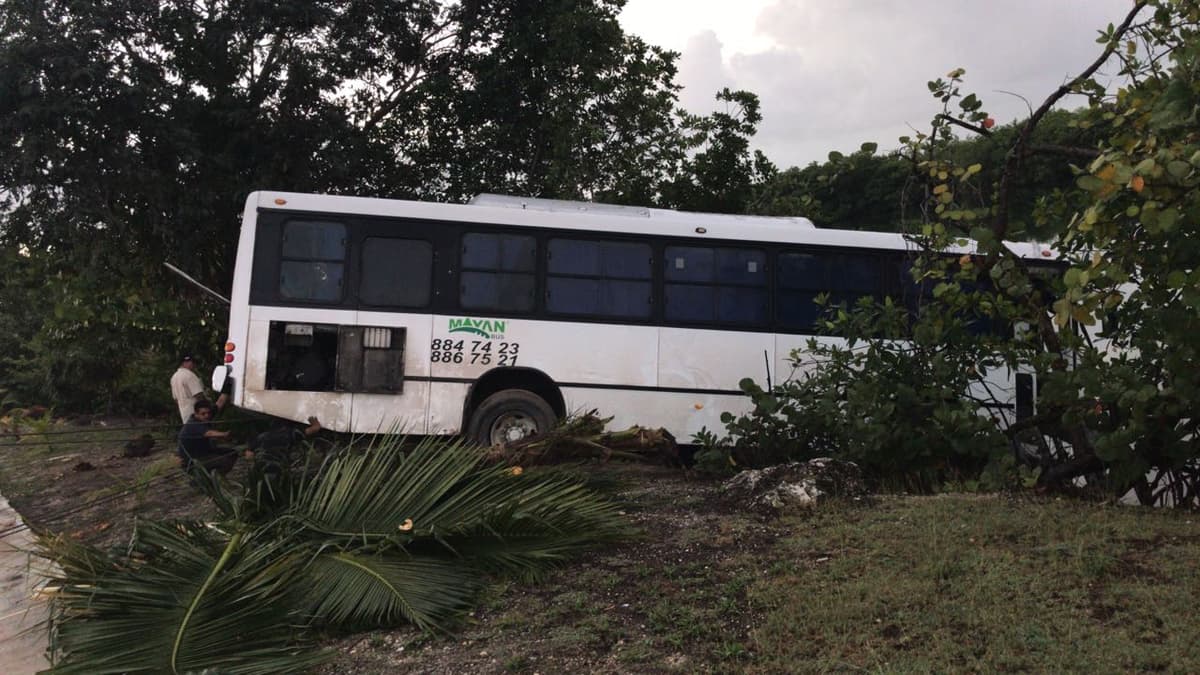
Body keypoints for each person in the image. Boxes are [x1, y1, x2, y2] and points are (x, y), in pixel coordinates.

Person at [177, 399, 240, 477]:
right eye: (203, 414)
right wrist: (224, 434)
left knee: (232, 453)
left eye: (208, 413)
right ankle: (210, 480)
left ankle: (216, 476)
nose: (207, 416)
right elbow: (209, 433)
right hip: (192, 460)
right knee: (224, 461)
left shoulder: (206, 417)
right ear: (196, 414)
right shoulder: (193, 424)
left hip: (205, 452)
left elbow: (220, 403)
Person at [170, 354, 227, 422]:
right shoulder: (189, 375)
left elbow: (176, 400)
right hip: (198, 414)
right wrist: (208, 407)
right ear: (185, 362)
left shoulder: (174, 377)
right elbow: (198, 395)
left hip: (184, 414)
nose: (194, 365)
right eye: (192, 362)